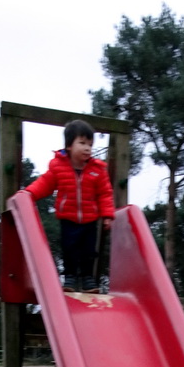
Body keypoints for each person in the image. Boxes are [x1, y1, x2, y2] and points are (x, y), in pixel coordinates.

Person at [25, 119, 115, 294]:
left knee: (89, 251)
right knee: (70, 249)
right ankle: (70, 277)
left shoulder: (97, 170)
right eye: (82, 143)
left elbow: (105, 193)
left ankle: (88, 279)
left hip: (90, 219)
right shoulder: (59, 167)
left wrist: (107, 215)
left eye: (90, 144)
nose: (87, 148)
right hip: (68, 218)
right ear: (69, 146)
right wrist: (29, 193)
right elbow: (45, 183)